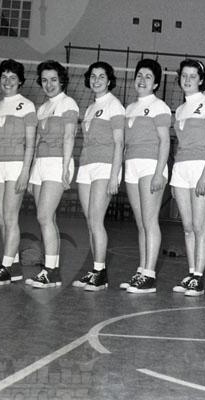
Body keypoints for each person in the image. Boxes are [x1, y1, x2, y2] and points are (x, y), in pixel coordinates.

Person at [170, 59, 205, 296]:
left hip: (202, 168)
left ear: (201, 80)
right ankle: (191, 273)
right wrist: (175, 177)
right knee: (188, 227)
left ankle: (198, 278)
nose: (188, 79)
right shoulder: (180, 110)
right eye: (184, 75)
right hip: (181, 170)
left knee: (200, 226)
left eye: (193, 76)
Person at [26, 60, 78, 288]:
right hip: (40, 164)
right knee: (48, 219)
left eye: (53, 80)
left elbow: (69, 136)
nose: (49, 84)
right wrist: (31, 172)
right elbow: (37, 141)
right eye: (45, 80)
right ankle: (51, 269)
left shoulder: (68, 103)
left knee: (44, 217)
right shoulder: (43, 108)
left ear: (62, 81)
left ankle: (50, 270)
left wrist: (66, 167)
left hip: (58, 162)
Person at [73, 61, 124, 292]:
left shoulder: (115, 105)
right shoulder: (90, 108)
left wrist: (114, 176)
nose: (96, 80)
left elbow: (119, 143)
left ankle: (100, 274)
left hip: (104, 167)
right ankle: (96, 270)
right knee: (90, 222)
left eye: (101, 76)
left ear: (109, 80)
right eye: (93, 76)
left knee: (96, 220)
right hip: (86, 166)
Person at [120, 59, 171, 294]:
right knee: (141, 223)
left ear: (156, 84)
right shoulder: (129, 108)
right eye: (139, 75)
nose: (142, 80)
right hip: (132, 166)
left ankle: (149, 275)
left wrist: (159, 173)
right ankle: (142, 270)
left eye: (148, 77)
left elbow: (165, 141)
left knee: (150, 221)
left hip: (151, 166)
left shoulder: (159, 106)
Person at [0, 59, 36, 286]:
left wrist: (26, 171)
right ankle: (13, 266)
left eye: (12, 77)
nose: (8, 81)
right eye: (4, 77)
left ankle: (5, 267)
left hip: (16, 165)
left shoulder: (27, 106)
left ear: (20, 81)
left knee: (10, 217)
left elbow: (31, 143)